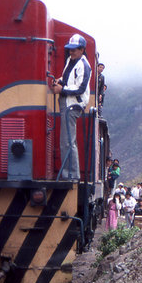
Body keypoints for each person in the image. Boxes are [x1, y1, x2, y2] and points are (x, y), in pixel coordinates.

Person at [51, 34, 91, 180]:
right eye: (70, 49)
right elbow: (67, 78)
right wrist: (59, 80)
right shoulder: (70, 60)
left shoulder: (84, 65)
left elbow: (80, 88)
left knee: (68, 141)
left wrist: (62, 89)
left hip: (73, 105)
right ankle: (68, 173)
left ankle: (72, 175)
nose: (71, 52)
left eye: (74, 50)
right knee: (65, 141)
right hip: (66, 103)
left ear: (82, 49)